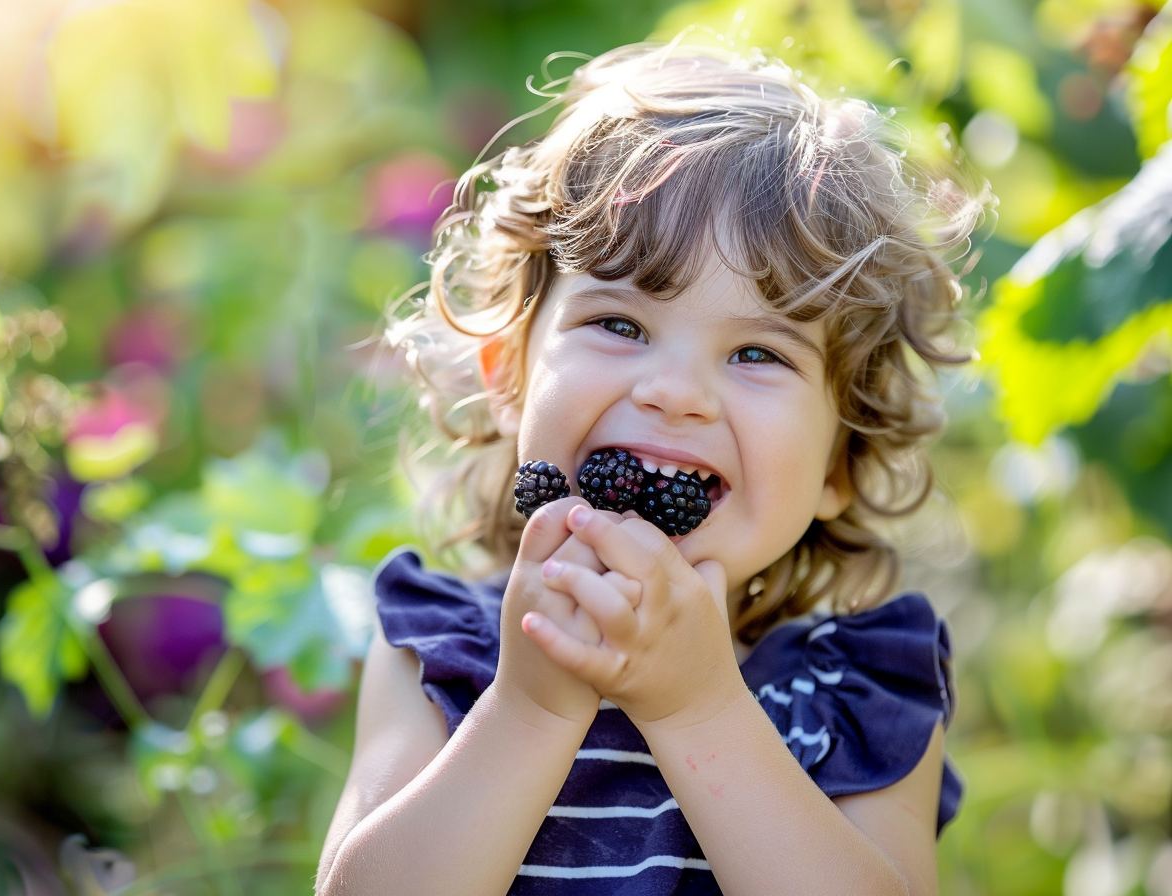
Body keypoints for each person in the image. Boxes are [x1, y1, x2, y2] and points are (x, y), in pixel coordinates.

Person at [316, 40, 987, 896]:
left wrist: (696, 706)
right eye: (622, 325)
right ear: (510, 380)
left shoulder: (859, 694)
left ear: (839, 464)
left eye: (756, 353)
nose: (676, 394)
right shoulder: (441, 649)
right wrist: (530, 710)